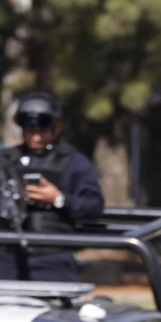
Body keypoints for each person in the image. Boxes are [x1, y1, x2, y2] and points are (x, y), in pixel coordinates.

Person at [0, 92, 105, 281]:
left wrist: (58, 199)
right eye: (30, 131)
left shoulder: (74, 162)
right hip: (7, 257)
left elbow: (93, 207)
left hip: (54, 258)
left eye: (42, 131)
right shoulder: (6, 160)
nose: (36, 138)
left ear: (57, 127)